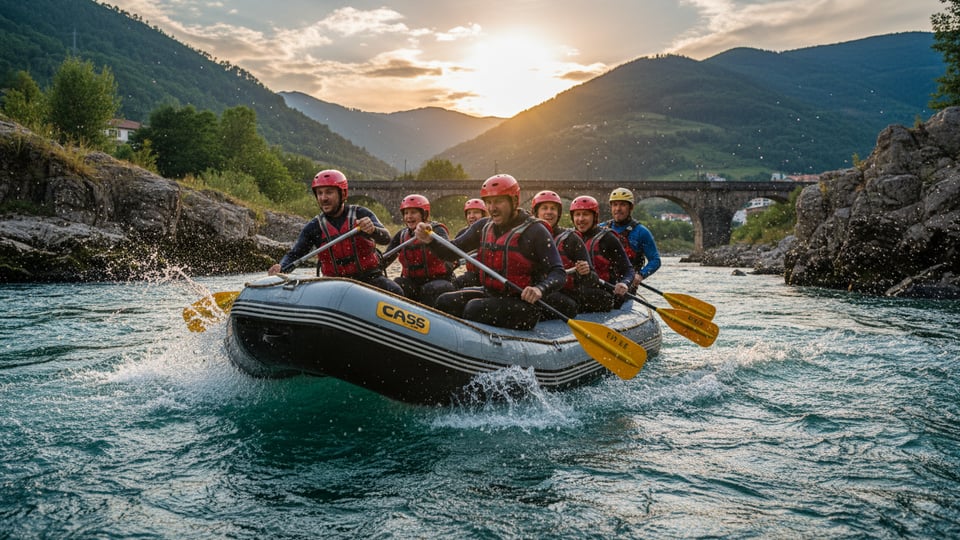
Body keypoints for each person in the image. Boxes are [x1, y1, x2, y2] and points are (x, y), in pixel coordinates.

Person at [413, 174, 566, 331]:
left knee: (474, 309)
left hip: (523, 306)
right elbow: (452, 252)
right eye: (489, 202)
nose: (492, 208)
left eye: (498, 201)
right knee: (444, 301)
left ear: (514, 201)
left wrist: (539, 289)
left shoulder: (535, 231)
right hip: (490, 293)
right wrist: (430, 240)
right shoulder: (483, 226)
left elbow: (559, 273)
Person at [268, 169, 403, 295]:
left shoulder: (361, 214)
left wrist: (373, 230)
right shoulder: (314, 227)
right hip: (333, 283)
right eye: (320, 193)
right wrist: (281, 267)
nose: (323, 198)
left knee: (395, 291)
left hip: (369, 278)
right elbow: (295, 255)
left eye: (329, 192)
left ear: (343, 194)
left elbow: (385, 238)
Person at [381, 194, 455, 307]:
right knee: (398, 284)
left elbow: (447, 251)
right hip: (413, 281)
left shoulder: (437, 230)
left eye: (413, 212)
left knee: (429, 289)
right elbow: (386, 258)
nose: (409, 217)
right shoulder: (401, 235)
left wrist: (430, 239)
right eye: (406, 213)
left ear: (424, 214)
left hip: (440, 280)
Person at [530, 190, 593, 319]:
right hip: (532, 290)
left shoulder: (572, 239)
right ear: (536, 212)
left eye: (553, 208)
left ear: (558, 213)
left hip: (563, 296)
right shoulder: (526, 236)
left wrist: (586, 272)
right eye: (544, 208)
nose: (549, 212)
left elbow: (593, 278)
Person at [570, 195, 636, 310]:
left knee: (583, 294)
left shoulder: (608, 238)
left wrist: (624, 283)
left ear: (594, 217)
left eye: (585, 214)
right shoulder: (569, 238)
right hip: (576, 291)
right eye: (577, 214)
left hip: (603, 292)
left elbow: (628, 270)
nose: (580, 219)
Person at [601, 187, 661, 292]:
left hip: (626, 286)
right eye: (615, 205)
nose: (618, 209)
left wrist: (640, 275)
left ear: (631, 207)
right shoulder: (601, 228)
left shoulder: (641, 232)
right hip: (603, 283)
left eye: (623, 205)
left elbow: (655, 260)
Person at [452, 198, 488, 288]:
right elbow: (453, 256)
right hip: (464, 270)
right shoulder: (462, 233)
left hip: (482, 273)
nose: (471, 216)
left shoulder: (490, 232)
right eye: (469, 213)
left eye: (476, 212)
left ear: (484, 214)